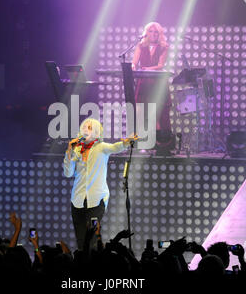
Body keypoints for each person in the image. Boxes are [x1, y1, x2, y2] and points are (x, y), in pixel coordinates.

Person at [63, 118, 138, 250]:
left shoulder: (101, 147)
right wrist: (69, 150)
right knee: (81, 240)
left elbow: (115, 147)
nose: (85, 129)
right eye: (84, 127)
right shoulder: (77, 150)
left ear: (97, 132)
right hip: (77, 200)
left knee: (92, 238)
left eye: (90, 127)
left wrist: (126, 142)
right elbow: (68, 173)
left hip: (96, 200)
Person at [131, 22, 173, 153]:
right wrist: (132, 67)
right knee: (142, 112)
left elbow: (160, 65)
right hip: (143, 83)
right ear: (146, 33)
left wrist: (146, 69)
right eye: (151, 32)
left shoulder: (164, 47)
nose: (154, 34)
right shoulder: (140, 45)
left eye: (156, 32)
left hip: (157, 83)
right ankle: (144, 143)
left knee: (157, 113)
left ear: (160, 34)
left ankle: (159, 144)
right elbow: (134, 62)